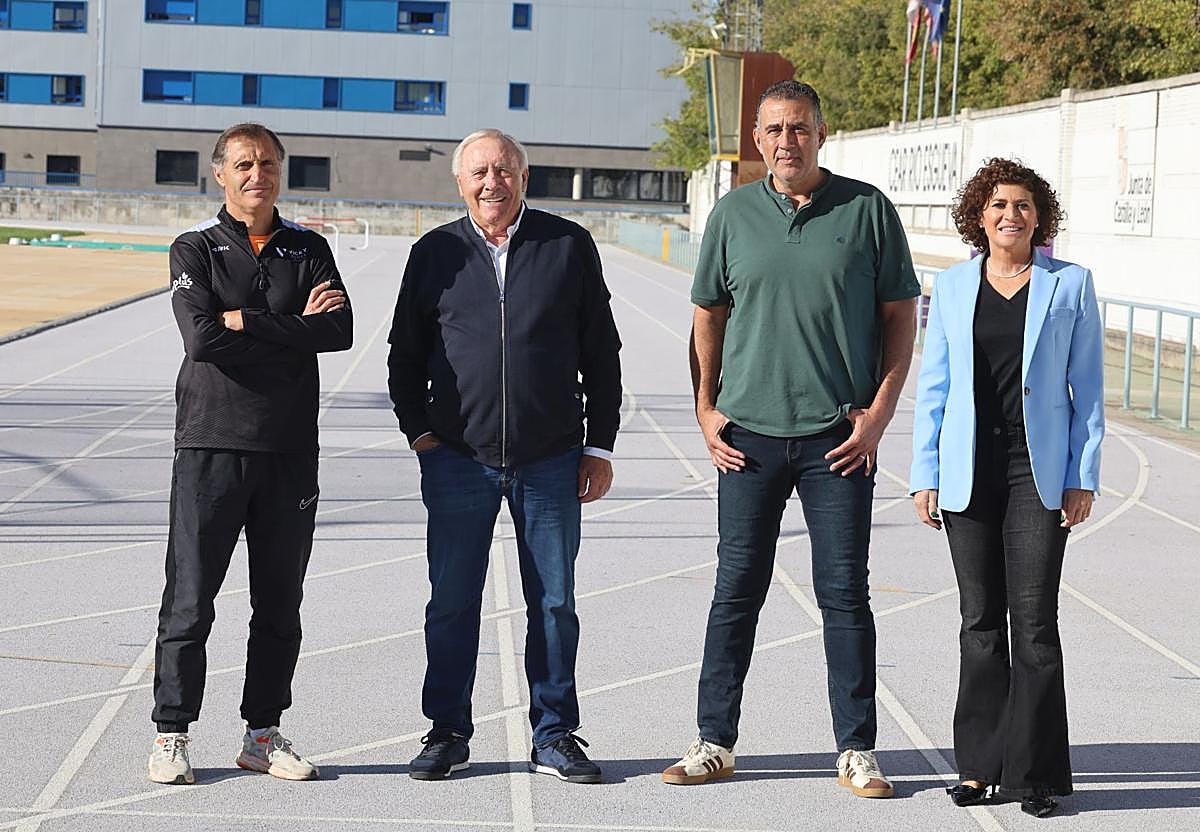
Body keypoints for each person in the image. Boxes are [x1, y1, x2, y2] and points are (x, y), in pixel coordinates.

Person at [662, 80, 919, 797]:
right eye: (773, 129)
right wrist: (706, 408)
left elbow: (902, 317)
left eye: (799, 128)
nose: (786, 141)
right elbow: (707, 316)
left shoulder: (867, 210)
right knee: (735, 590)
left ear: (821, 131)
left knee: (844, 595)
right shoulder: (733, 215)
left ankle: (857, 748)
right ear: (757, 138)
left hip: (838, 438)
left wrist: (879, 414)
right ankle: (714, 741)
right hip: (746, 437)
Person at [387, 128, 622, 784]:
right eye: (480, 172)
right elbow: (404, 353)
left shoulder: (567, 245)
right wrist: (419, 433)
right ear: (460, 182)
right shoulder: (433, 253)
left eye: (505, 170)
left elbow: (601, 352)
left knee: (554, 603)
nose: (493, 182)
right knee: (451, 601)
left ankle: (554, 734)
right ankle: (447, 732)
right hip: (458, 457)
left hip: (550, 458)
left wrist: (598, 444)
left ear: (524, 176)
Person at [148, 122, 352, 785]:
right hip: (209, 444)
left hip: (289, 452)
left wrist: (248, 320)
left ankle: (262, 735)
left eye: (266, 162)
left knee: (279, 604)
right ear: (220, 173)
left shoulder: (308, 247)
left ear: (280, 172)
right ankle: (171, 733)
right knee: (190, 601)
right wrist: (296, 331)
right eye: (243, 163)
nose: (256, 173)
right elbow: (202, 342)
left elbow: (341, 329)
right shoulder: (195, 249)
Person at [909, 158, 1104, 818]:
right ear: (979, 216)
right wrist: (924, 474)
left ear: (1039, 217)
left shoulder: (1070, 285)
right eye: (997, 205)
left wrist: (1083, 476)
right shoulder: (953, 286)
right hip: (969, 474)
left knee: (1036, 627)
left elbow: (1089, 394)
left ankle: (1035, 776)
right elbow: (933, 386)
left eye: (1022, 205)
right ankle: (979, 768)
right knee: (979, 625)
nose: (1010, 215)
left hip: (1037, 474)